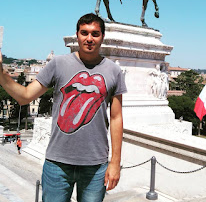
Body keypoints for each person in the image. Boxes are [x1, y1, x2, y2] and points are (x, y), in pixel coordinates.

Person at [0, 13, 127, 202]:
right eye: (84, 33)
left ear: (102, 37)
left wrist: (115, 162)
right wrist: (1, 73)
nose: (89, 38)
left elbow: (116, 118)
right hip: (57, 163)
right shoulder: (58, 64)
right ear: (77, 35)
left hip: (95, 164)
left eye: (95, 33)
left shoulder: (114, 71)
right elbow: (25, 96)